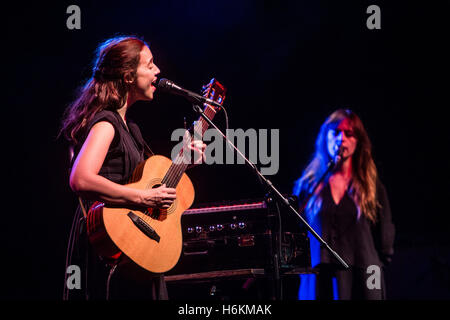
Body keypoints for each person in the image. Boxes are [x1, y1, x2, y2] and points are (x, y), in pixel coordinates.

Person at [59, 35, 205, 300]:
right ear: (127, 76)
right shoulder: (106, 123)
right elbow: (80, 179)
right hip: (106, 245)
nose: (158, 71)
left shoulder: (132, 130)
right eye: (149, 65)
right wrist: (143, 196)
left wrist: (186, 161)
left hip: (131, 245)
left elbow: (145, 184)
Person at [292, 109, 395, 300]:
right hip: (319, 275)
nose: (342, 139)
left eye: (349, 133)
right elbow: (295, 231)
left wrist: (373, 266)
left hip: (363, 275)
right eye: (336, 132)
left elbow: (384, 236)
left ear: (358, 141)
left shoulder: (371, 186)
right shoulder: (308, 185)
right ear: (325, 137)